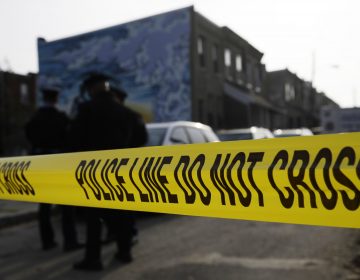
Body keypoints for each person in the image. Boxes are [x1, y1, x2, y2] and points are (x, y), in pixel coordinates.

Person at [70, 73, 147, 271]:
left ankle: (93, 259)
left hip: (94, 170)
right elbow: (141, 139)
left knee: (94, 217)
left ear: (92, 89)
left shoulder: (87, 109)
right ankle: (124, 251)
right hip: (121, 169)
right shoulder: (127, 112)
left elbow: (73, 139)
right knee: (122, 212)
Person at [25, 88, 82, 252]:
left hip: (40, 163)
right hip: (58, 163)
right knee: (67, 205)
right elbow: (70, 139)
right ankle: (70, 241)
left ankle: (47, 241)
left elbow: (29, 136)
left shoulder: (34, 118)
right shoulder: (61, 118)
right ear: (56, 100)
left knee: (44, 206)